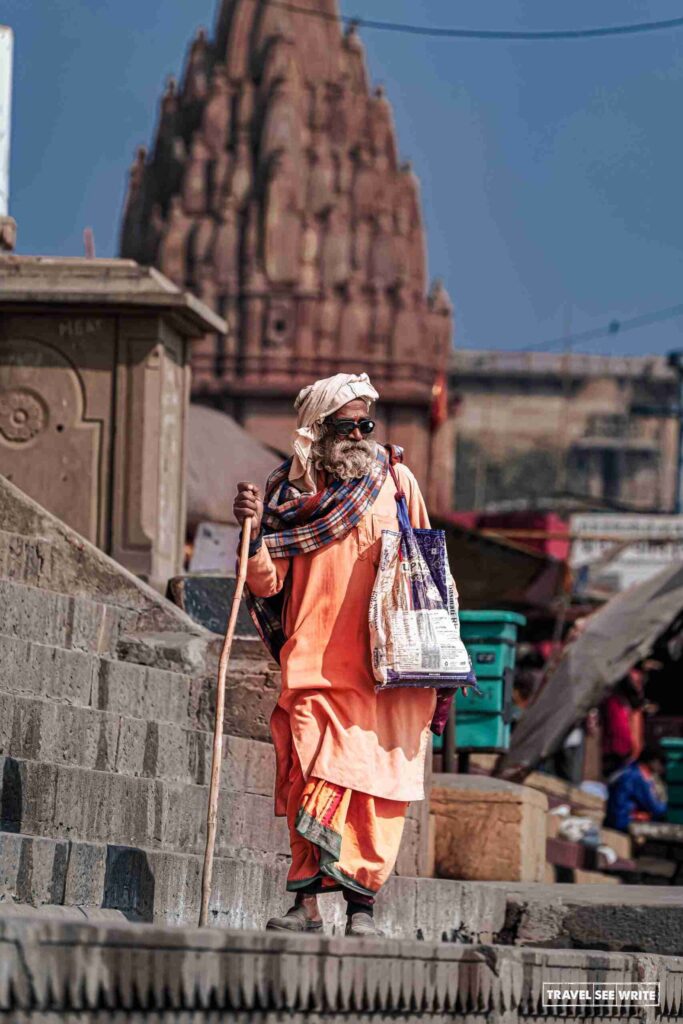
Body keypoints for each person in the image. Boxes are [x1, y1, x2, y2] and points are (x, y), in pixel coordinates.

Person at [233, 372, 441, 937]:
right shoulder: (291, 497)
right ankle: (305, 909)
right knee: (312, 779)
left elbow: (429, 576)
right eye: (346, 425)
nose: (358, 434)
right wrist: (252, 535)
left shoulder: (397, 482)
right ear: (318, 429)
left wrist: (442, 663)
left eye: (365, 424)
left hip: (385, 674)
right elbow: (265, 583)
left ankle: (361, 910)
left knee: (374, 790)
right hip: (314, 666)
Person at [604, 746, 668, 833]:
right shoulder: (638, 777)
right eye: (662, 763)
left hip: (613, 818)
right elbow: (654, 807)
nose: (662, 768)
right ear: (652, 761)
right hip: (623, 821)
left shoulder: (628, 769)